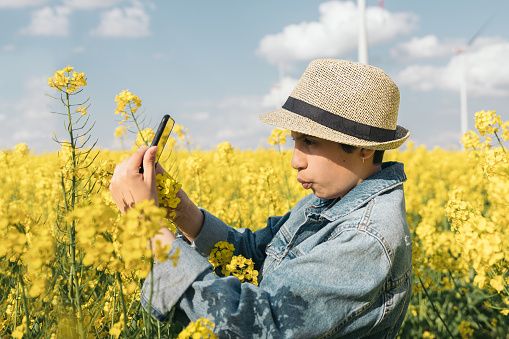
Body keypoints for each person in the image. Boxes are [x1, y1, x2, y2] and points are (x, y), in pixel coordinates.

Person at [109, 59, 413, 338]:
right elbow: (256, 256)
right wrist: (182, 210)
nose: (295, 161)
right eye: (295, 141)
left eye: (309, 142)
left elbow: (257, 325)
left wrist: (149, 227)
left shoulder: (365, 238)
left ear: (364, 149)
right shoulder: (330, 198)